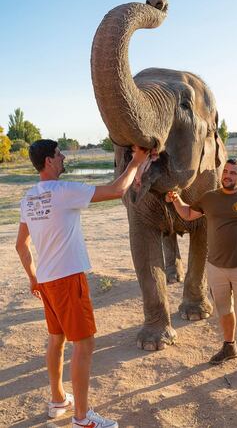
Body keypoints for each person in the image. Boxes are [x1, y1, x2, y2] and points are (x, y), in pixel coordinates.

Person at [16, 139, 149, 427]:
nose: (63, 157)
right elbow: (116, 190)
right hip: (67, 278)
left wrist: (33, 277)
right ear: (49, 161)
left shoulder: (28, 198)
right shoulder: (64, 191)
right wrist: (136, 162)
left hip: (48, 280)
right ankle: (81, 418)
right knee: (85, 344)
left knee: (56, 339)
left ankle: (58, 399)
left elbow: (21, 246)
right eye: (59, 154)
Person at [166, 158, 237, 378]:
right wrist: (176, 200)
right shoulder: (210, 198)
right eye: (226, 171)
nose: (228, 175)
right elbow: (189, 214)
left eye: (233, 173)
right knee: (224, 310)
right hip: (216, 267)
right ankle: (229, 347)